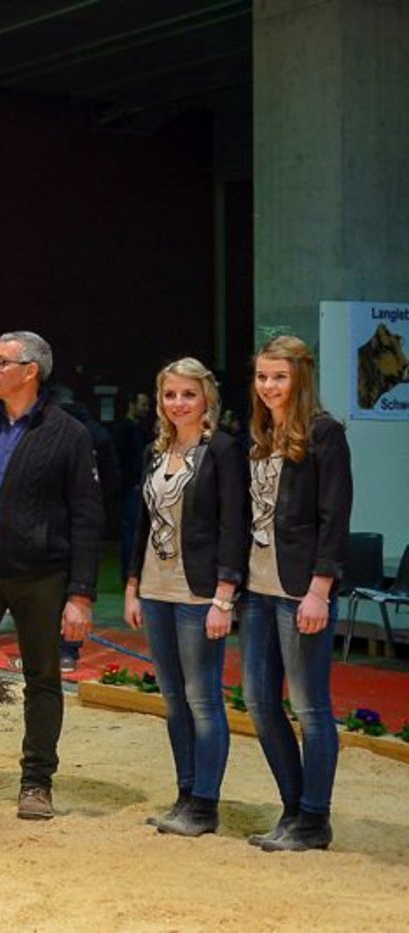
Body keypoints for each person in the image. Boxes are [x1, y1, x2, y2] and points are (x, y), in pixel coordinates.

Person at [0, 330, 104, 820]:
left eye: (1, 362)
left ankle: (36, 782)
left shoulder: (69, 434)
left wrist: (81, 594)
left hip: (41, 578)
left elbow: (88, 517)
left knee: (43, 680)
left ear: (31, 371)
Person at [123, 358, 248, 837]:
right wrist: (133, 585)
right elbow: (143, 523)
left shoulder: (221, 450)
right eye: (170, 395)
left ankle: (205, 803)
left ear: (207, 399)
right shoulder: (157, 451)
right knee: (173, 700)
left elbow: (232, 525)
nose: (179, 403)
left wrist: (224, 596)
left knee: (202, 699)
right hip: (156, 590)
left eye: (188, 395)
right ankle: (185, 792)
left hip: (199, 594)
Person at [242, 335, 352, 852]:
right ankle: (293, 809)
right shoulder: (261, 435)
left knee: (311, 709)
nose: (268, 386)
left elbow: (334, 516)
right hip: (259, 590)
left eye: (279, 377)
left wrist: (320, 589)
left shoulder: (325, 433)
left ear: (300, 378)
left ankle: (315, 819)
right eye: (262, 377)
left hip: (301, 590)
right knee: (260, 703)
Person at [51, 383, 121, 673]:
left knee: (59, 586)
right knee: (77, 583)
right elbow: (115, 474)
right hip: (87, 514)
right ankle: (68, 650)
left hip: (58, 518)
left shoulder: (58, 431)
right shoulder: (98, 431)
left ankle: (62, 649)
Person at [116, 390, 155, 579]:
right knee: (132, 533)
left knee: (133, 533)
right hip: (132, 488)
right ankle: (131, 574)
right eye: (143, 405)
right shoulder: (127, 431)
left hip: (134, 487)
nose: (147, 409)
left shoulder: (137, 429)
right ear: (131, 405)